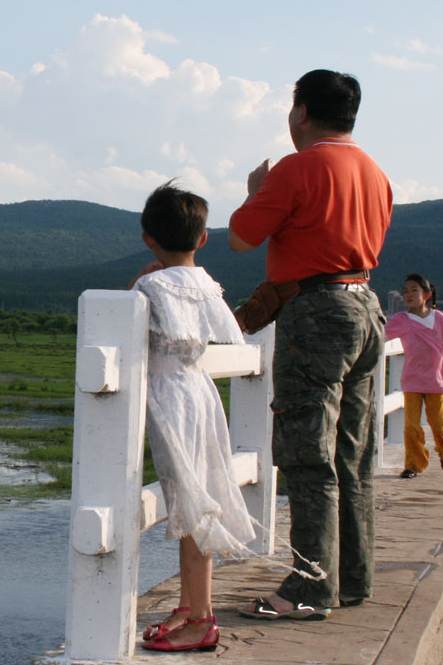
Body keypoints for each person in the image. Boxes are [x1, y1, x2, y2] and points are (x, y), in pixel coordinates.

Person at [229, 69, 392, 619]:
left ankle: (308, 588)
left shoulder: (298, 168)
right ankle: (352, 580)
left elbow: (240, 236)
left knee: (307, 455)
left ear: (300, 112)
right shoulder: (375, 172)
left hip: (317, 312)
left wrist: (257, 193)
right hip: (366, 306)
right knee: (353, 453)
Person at [128, 181, 256, 652]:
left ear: (148, 239)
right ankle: (189, 604)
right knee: (195, 495)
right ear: (203, 239)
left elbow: (125, 330)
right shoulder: (206, 284)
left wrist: (136, 284)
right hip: (201, 393)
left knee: (191, 502)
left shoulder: (150, 284)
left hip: (169, 395)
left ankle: (202, 618)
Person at [385, 273, 443, 478]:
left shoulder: (438, 318)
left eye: (414, 290)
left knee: (437, 423)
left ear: (427, 295)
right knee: (411, 425)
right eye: (405, 291)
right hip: (412, 380)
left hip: (435, 380)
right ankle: (413, 464)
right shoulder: (401, 320)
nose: (408, 294)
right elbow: (380, 333)